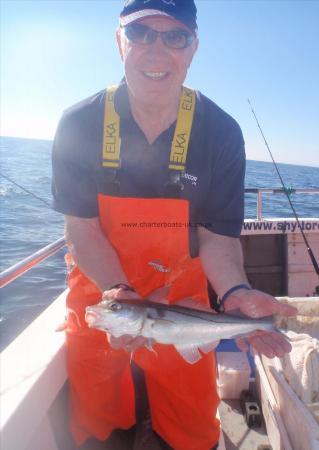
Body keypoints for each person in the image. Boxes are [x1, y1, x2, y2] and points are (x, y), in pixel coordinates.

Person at [52, 1, 297, 449]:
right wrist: (119, 294)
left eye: (175, 36)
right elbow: (82, 230)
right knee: (98, 424)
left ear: (194, 47)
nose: (157, 50)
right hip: (103, 293)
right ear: (119, 40)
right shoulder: (79, 123)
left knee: (191, 431)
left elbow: (218, 242)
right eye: (142, 33)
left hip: (183, 303)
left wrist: (237, 296)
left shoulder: (220, 133)